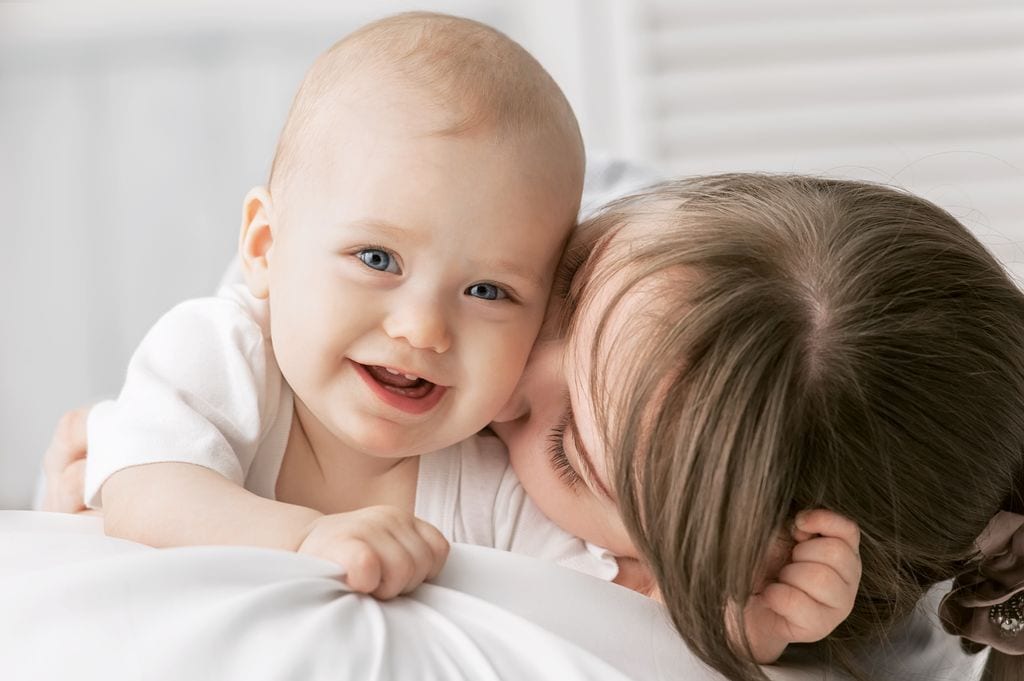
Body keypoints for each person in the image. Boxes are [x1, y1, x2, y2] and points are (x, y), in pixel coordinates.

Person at [60, 11, 859, 669]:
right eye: (377, 259)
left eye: (488, 291)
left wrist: (743, 620)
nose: (423, 328)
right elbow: (147, 490)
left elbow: (619, 607)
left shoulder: (490, 479)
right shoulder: (226, 349)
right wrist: (304, 537)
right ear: (266, 249)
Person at [51, 171, 1015, 679]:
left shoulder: (642, 558)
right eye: (553, 298)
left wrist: (742, 621)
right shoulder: (536, 225)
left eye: (567, 450)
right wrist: (151, 473)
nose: (501, 378)